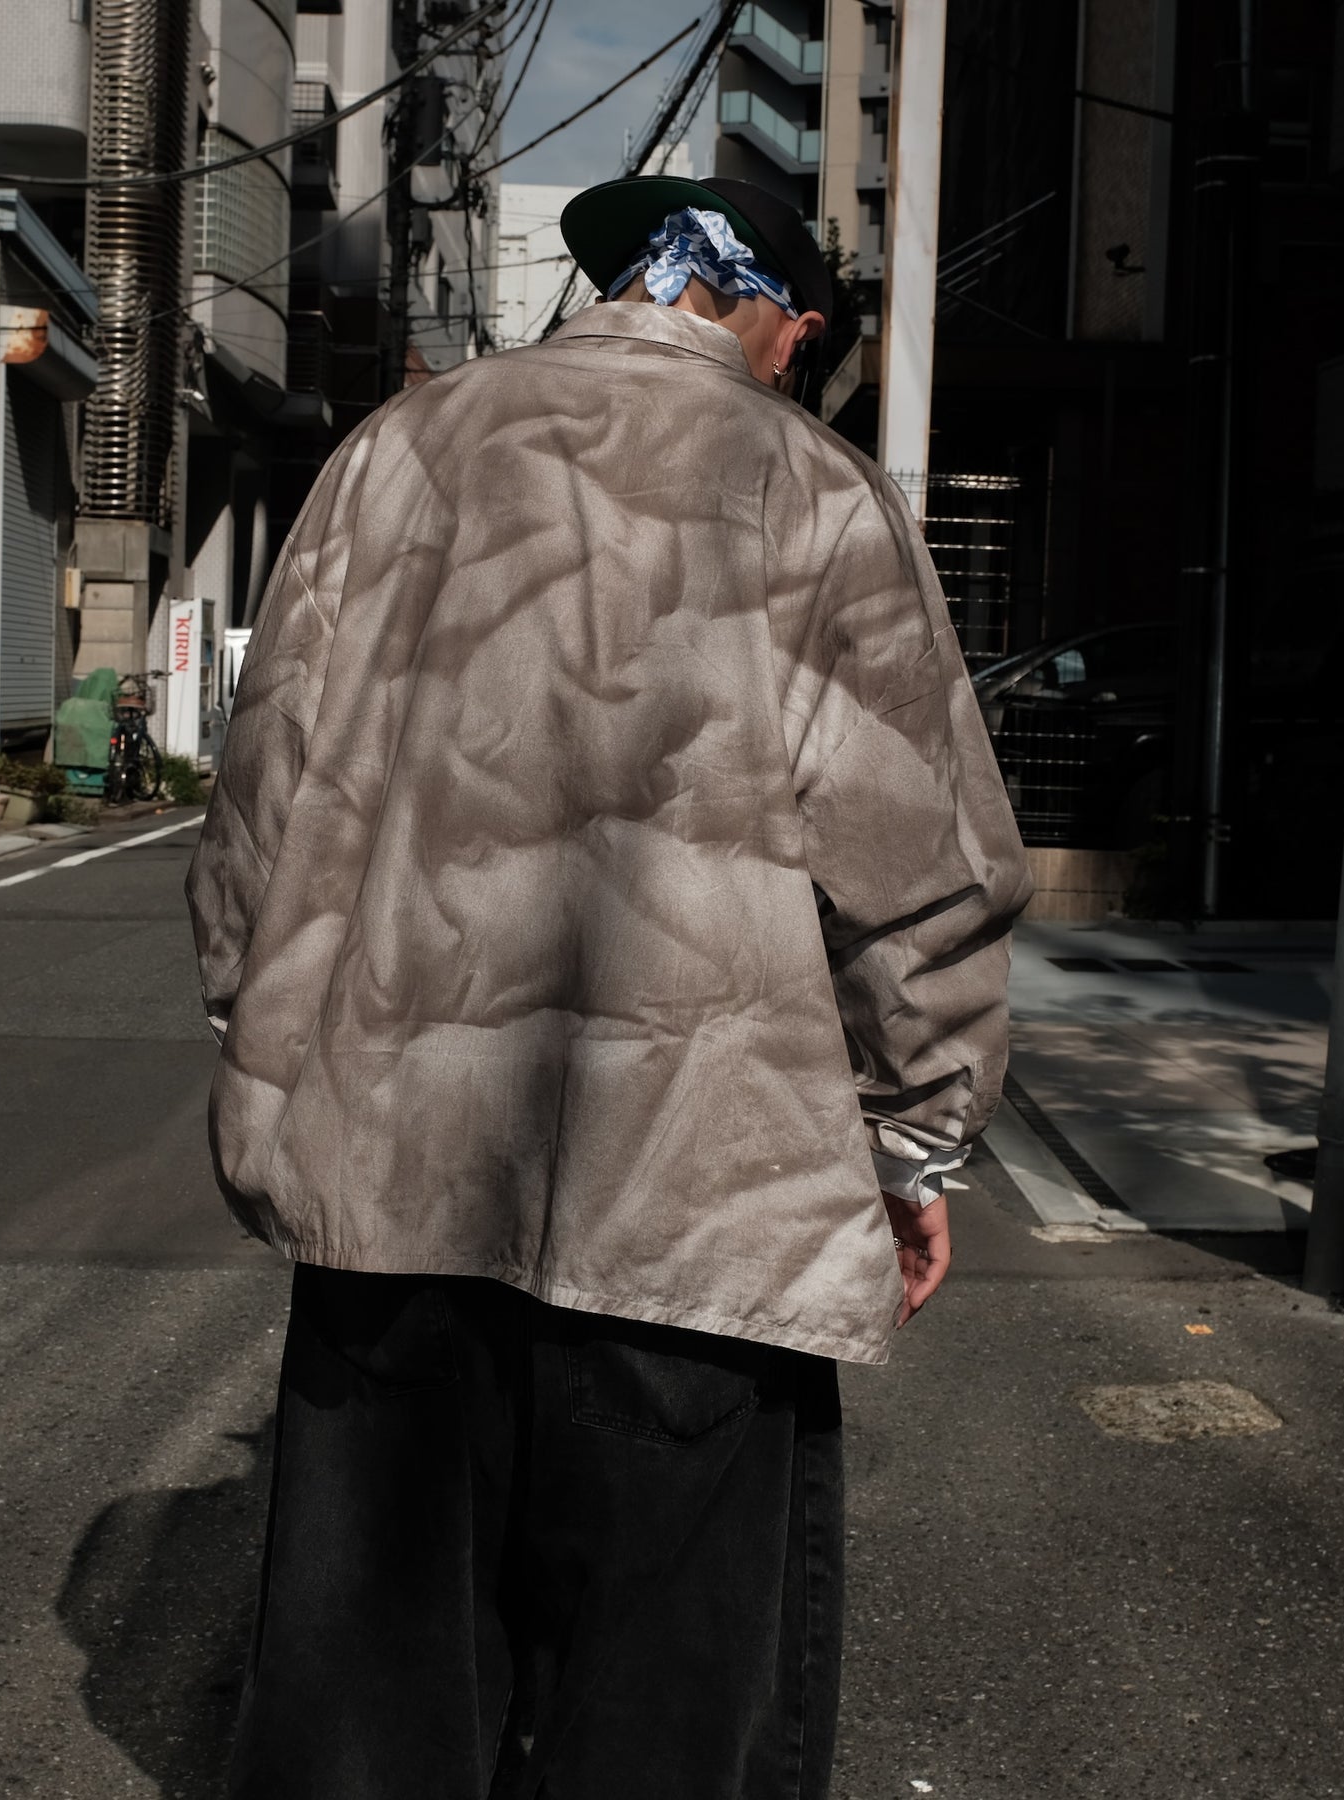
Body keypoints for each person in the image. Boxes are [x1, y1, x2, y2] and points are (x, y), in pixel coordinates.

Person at [189, 171, 1031, 1799]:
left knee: (371, 1723)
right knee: (662, 1719)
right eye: (800, 336)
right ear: (754, 309)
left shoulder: (391, 462)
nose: (794, 368)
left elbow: (262, 794)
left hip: (393, 1196)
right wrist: (916, 1147)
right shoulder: (810, 493)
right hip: (700, 1207)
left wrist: (265, 1037)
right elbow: (914, 859)